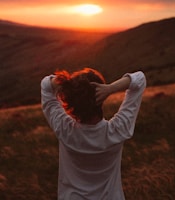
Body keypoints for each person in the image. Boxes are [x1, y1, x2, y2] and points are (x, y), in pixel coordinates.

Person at [41, 68, 146, 200]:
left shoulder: (64, 129)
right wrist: (110, 88)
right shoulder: (117, 131)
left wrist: (69, 85)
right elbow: (139, 79)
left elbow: (46, 85)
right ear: (102, 97)